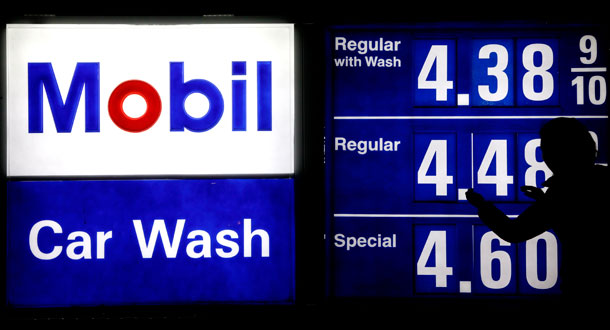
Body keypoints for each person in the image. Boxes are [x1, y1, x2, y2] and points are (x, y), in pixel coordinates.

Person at [466, 117, 608, 318]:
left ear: (559, 153)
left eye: (547, 149)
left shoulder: (561, 194)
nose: (544, 157)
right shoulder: (599, 180)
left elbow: (513, 232)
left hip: (583, 291)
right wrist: (544, 201)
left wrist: (481, 205)